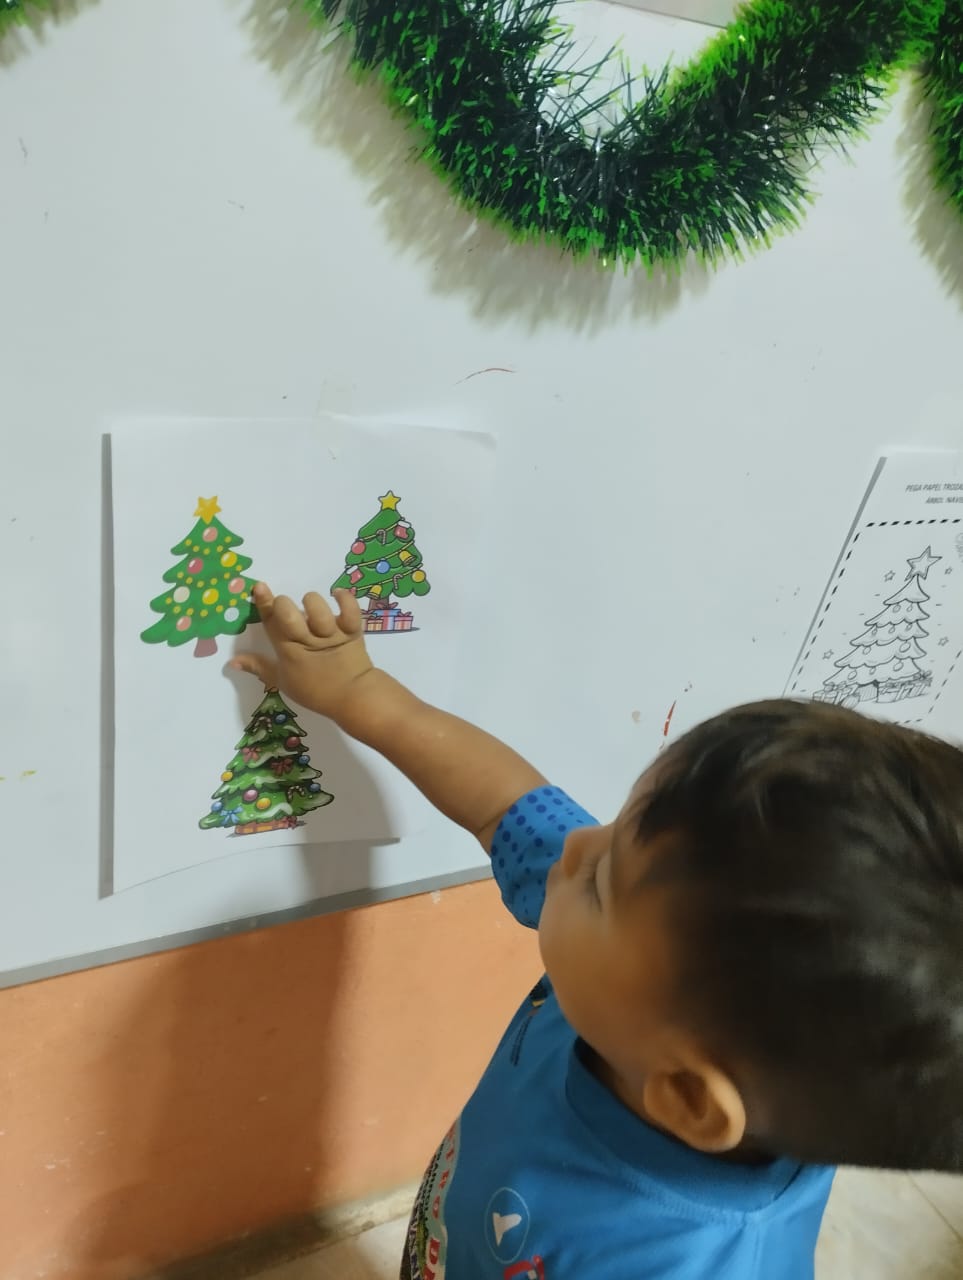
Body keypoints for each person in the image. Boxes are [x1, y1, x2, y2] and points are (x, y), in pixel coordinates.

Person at [233, 582, 963, 1280]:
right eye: (612, 831)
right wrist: (360, 691)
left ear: (687, 1097)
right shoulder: (664, 999)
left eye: (603, 880)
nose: (576, 845)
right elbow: (502, 803)